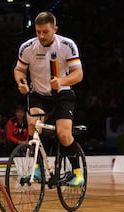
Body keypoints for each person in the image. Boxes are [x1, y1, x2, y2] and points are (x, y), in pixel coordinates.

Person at [13, 11, 84, 186]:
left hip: (62, 94)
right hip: (38, 95)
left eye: (45, 32)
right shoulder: (28, 47)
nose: (41, 36)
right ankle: (37, 170)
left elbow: (78, 74)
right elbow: (19, 70)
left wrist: (61, 81)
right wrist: (21, 83)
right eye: (38, 32)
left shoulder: (67, 45)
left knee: (63, 134)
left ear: (55, 29)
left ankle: (77, 173)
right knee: (32, 126)